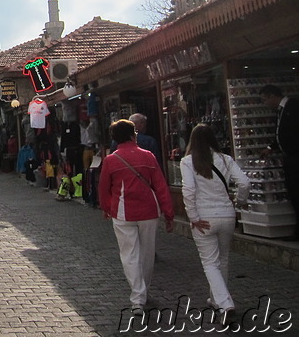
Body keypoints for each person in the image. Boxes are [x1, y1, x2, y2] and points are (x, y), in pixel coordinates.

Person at [99, 119, 174, 315]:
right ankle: (142, 293)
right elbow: (160, 186)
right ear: (134, 135)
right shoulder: (148, 157)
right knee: (147, 253)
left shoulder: (111, 160)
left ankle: (137, 296)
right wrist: (168, 213)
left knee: (129, 254)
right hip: (148, 211)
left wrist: (106, 208)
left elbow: (104, 188)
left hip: (122, 212)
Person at [180, 124, 250, 318]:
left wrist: (193, 216)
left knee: (210, 263)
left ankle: (225, 303)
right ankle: (216, 299)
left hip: (204, 217)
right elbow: (244, 182)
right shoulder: (226, 160)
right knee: (223, 260)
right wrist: (239, 203)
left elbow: (189, 191)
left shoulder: (188, 162)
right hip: (226, 215)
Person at [260, 84, 299, 239]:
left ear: (272, 96)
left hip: (295, 156)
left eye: (265, 100)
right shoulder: (281, 111)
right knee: (293, 193)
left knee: (297, 192)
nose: (265, 104)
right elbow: (280, 132)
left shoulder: (293, 107)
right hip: (288, 157)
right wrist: (271, 147)